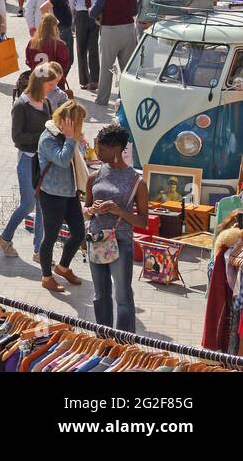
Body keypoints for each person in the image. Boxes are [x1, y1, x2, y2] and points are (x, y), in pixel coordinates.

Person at [84, 123, 148, 331]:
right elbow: (84, 210)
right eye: (97, 147)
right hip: (95, 238)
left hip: (120, 242)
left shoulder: (136, 181)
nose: (98, 152)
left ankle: (125, 343)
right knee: (99, 294)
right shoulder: (94, 176)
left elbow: (143, 221)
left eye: (102, 148)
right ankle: (104, 339)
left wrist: (117, 210)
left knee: (122, 295)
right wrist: (91, 211)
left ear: (118, 149)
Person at [0, 65, 58, 259]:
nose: (53, 87)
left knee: (43, 206)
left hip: (43, 160)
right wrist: (43, 136)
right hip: (27, 159)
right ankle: (6, 237)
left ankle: (39, 250)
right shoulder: (21, 105)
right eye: (50, 84)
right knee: (28, 204)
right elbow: (17, 137)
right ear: (40, 83)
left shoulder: (47, 102)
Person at [38, 99, 89, 293]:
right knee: (50, 237)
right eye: (79, 123)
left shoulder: (66, 135)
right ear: (69, 122)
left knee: (79, 233)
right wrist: (71, 139)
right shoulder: (48, 138)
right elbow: (62, 159)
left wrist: (76, 140)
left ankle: (63, 267)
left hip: (69, 192)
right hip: (52, 194)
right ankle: (46, 277)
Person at [90, 0, 138, 108]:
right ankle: (126, 98)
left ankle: (102, 100)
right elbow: (134, 11)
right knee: (127, 68)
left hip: (110, 31)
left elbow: (93, 13)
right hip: (129, 30)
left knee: (107, 67)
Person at [69, 0, 103, 91]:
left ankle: (95, 79)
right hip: (81, 15)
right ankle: (84, 80)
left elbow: (100, 0)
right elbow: (72, 4)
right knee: (81, 48)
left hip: (93, 15)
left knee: (93, 47)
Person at [25, 13, 70, 92]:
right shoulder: (59, 44)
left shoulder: (32, 42)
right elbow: (64, 64)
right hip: (54, 84)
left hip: (36, 82)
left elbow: (28, 61)